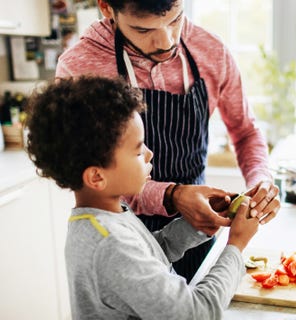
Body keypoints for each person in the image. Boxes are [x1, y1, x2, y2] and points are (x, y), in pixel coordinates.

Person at [56, 0, 280, 281]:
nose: (166, 41)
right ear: (106, 7)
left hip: (198, 230)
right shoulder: (79, 67)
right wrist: (172, 195)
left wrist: (261, 180)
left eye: (176, 20)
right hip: (118, 235)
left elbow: (246, 130)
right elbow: (89, 172)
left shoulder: (210, 50)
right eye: (143, 29)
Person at [25, 76, 260, 320]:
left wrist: (196, 226)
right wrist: (236, 246)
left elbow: (151, 253)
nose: (149, 154)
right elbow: (197, 313)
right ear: (96, 177)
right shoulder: (108, 243)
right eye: (138, 150)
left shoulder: (107, 215)